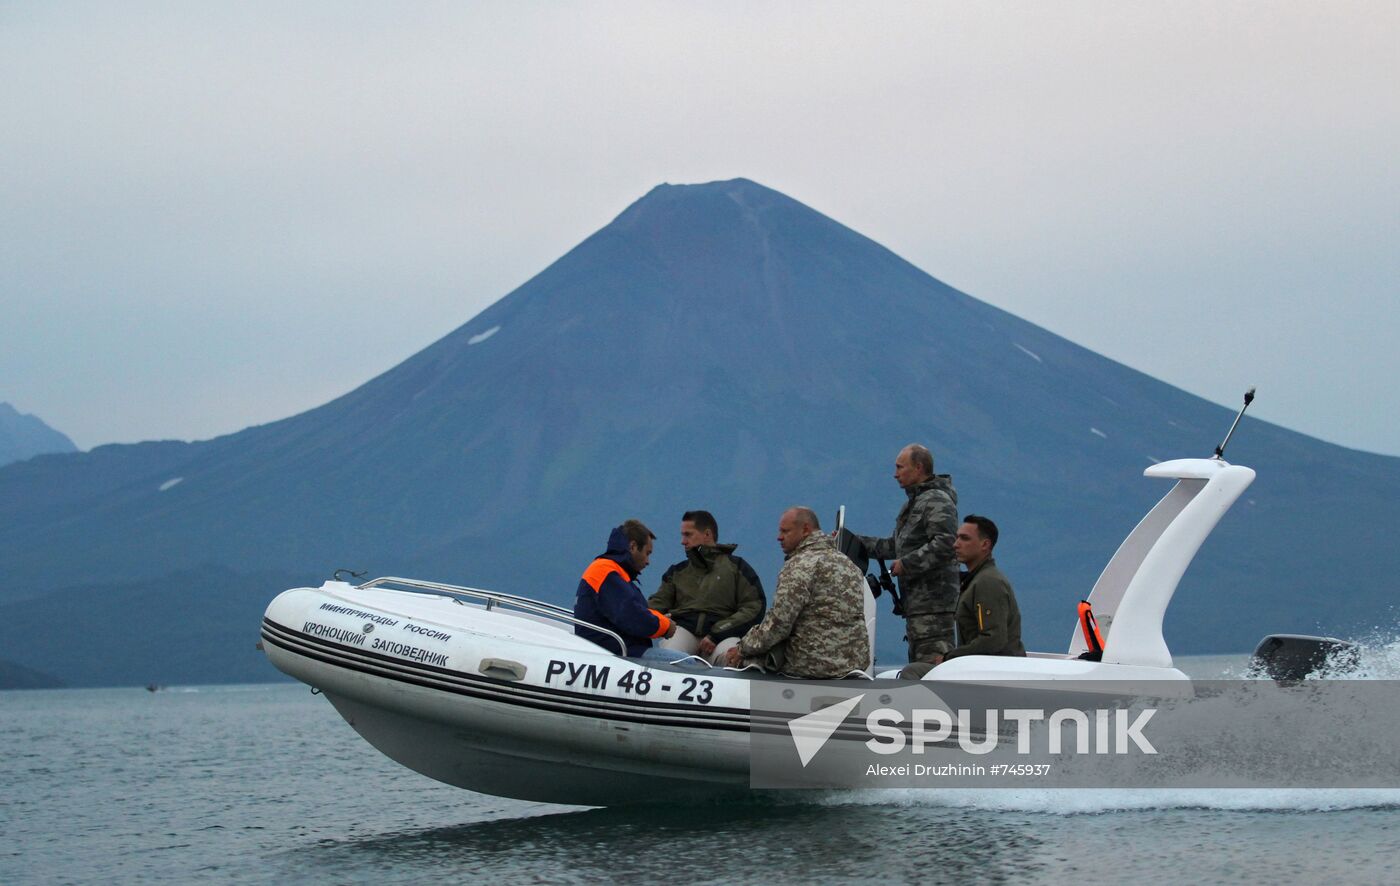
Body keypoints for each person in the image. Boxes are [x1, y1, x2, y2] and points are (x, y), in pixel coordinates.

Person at [724, 507, 870, 678]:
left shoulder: (800, 565)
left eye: (785, 531)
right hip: (852, 665)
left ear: (806, 530)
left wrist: (742, 649)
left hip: (811, 664)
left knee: (735, 660)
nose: (779, 537)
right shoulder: (849, 565)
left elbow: (778, 624)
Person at [854, 443, 959, 663]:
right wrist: (854, 542)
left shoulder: (936, 500)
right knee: (919, 666)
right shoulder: (914, 504)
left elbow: (946, 543)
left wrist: (907, 564)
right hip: (918, 607)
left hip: (933, 608)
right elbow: (895, 546)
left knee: (930, 671)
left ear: (918, 468)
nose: (895, 474)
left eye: (900, 467)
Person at [901, 515, 1024, 678]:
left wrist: (949, 657)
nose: (956, 544)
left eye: (964, 539)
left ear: (985, 545)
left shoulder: (987, 583)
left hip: (990, 671)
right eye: (957, 538)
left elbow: (993, 639)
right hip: (978, 667)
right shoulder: (977, 580)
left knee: (913, 672)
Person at [648, 510, 767, 666]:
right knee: (669, 655)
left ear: (707, 534)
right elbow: (654, 606)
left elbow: (754, 606)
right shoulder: (677, 572)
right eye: (682, 535)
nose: (682, 541)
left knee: (732, 658)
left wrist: (717, 633)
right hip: (682, 631)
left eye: (688, 535)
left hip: (723, 636)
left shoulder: (737, 568)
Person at [574, 519, 686, 662]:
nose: (648, 561)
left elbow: (633, 609)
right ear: (633, 547)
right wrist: (665, 626)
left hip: (618, 650)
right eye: (647, 553)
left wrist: (660, 618)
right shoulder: (606, 573)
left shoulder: (613, 573)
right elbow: (632, 615)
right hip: (617, 653)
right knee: (687, 663)